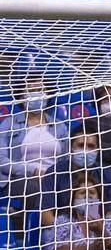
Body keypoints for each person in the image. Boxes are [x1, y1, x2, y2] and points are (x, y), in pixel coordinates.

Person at [0, 80, 69, 228]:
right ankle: (56, 229)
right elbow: (2, 162)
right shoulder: (9, 124)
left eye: (41, 89)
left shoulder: (59, 126)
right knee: (37, 190)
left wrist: (53, 176)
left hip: (54, 179)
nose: (37, 94)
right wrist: (33, 171)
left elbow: (67, 160)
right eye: (31, 89)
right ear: (22, 95)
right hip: (19, 179)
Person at [39, 120, 111, 229]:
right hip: (61, 233)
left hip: (98, 230)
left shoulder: (108, 174)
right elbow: (45, 214)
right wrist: (69, 231)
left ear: (98, 149)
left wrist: (103, 230)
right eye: (81, 145)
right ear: (71, 148)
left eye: (91, 146)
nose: (86, 150)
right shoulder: (54, 173)